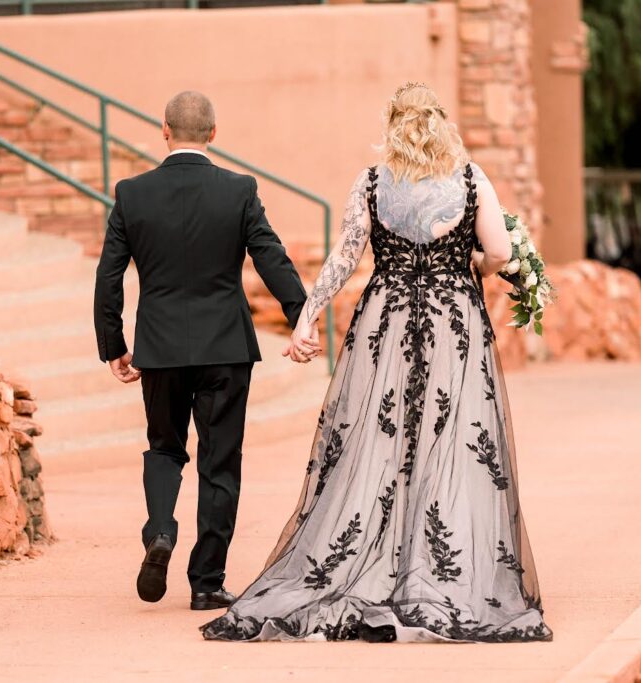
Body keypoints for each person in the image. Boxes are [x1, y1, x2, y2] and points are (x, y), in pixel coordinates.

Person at [201, 83, 552, 642]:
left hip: (385, 325)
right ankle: (442, 574)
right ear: (442, 124)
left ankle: (366, 568)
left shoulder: (370, 183)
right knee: (453, 439)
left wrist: (308, 317)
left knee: (377, 442)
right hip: (451, 324)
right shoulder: (469, 179)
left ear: (393, 125)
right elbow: (503, 253)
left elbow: (345, 256)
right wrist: (479, 265)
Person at [92, 91, 307, 611]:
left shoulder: (132, 194)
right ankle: (207, 582)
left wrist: (114, 345)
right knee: (220, 463)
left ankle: (162, 530)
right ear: (214, 133)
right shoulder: (239, 190)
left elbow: (109, 277)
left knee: (164, 448)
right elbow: (269, 256)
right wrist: (301, 317)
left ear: (163, 129)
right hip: (226, 348)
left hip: (160, 348)